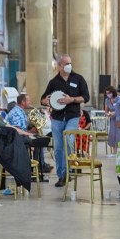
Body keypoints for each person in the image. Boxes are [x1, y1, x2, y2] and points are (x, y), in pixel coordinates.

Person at [40, 54, 90, 187]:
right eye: (66, 64)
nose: (69, 66)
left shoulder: (78, 79)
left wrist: (72, 99)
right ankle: (61, 175)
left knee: (68, 140)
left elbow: (86, 97)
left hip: (73, 116)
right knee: (58, 148)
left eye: (70, 63)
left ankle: (69, 170)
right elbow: (43, 99)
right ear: (59, 66)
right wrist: (48, 101)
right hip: (57, 117)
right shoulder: (53, 82)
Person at [5, 93, 52, 174]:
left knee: (40, 140)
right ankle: (36, 168)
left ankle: (39, 167)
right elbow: (18, 131)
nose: (30, 101)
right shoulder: (17, 113)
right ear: (23, 102)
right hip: (15, 139)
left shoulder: (20, 110)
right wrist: (31, 132)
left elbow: (24, 127)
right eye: (28, 100)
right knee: (39, 142)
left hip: (21, 136)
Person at [104, 85, 120, 156]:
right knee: (113, 134)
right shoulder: (107, 100)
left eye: (109, 93)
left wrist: (114, 112)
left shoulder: (118, 98)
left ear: (112, 92)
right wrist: (107, 114)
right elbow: (106, 110)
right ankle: (114, 152)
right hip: (113, 118)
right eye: (107, 93)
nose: (108, 95)